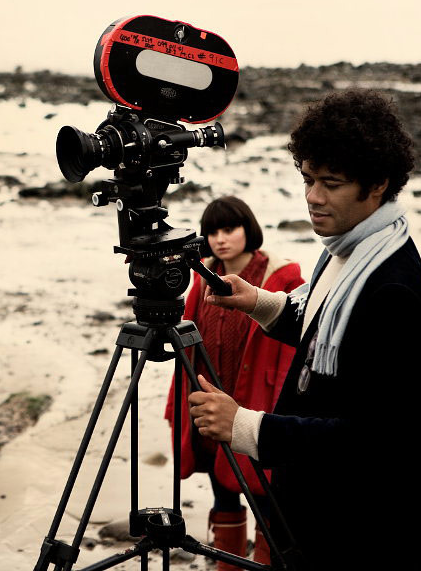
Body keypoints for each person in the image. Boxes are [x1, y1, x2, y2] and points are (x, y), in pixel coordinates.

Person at [188, 90, 421, 571]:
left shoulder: (393, 290)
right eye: (308, 178)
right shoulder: (347, 249)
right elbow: (321, 329)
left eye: (331, 183)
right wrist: (259, 302)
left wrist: (246, 426)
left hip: (372, 530)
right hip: (325, 512)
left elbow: (373, 440)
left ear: (377, 185)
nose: (313, 196)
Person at [165, 195, 304, 570]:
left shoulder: (281, 275)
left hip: (258, 402)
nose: (220, 239)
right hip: (210, 400)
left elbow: (295, 347)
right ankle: (227, 564)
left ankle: (266, 562)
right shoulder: (203, 274)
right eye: (212, 232)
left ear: (249, 229)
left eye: (229, 229)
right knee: (222, 491)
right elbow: (188, 340)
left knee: (264, 495)